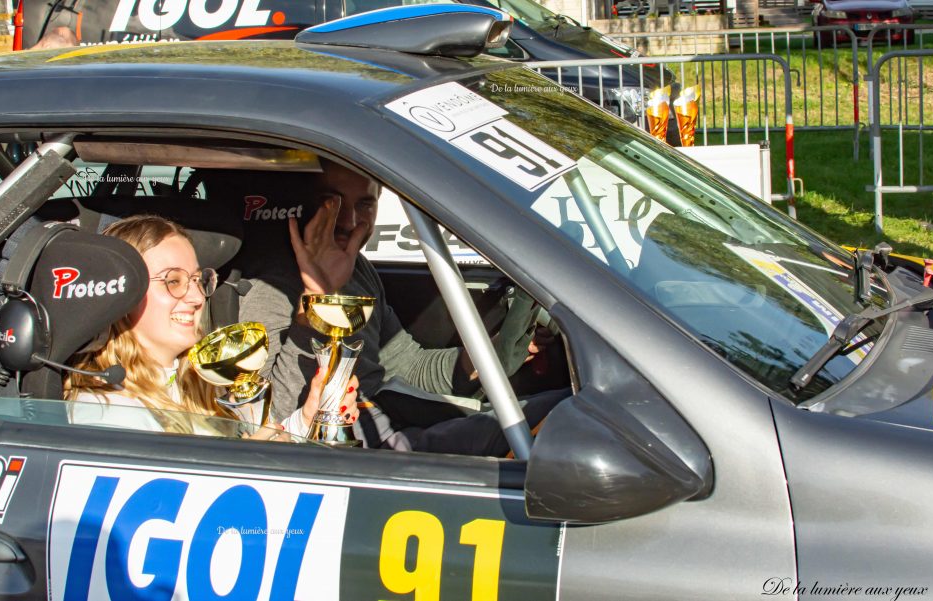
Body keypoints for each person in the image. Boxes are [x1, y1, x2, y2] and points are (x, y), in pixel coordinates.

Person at [238, 161, 565, 456]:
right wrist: (317, 299)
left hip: (383, 422)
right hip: (341, 450)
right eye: (331, 202)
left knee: (557, 411)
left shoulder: (359, 271)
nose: (350, 221)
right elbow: (271, 421)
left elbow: (407, 366)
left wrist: (493, 354)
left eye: (365, 204)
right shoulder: (271, 285)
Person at [64, 214, 359, 439]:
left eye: (196, 280)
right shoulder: (106, 411)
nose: (195, 297)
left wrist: (307, 420)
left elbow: (258, 444)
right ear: (121, 294)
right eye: (173, 281)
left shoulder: (198, 384)